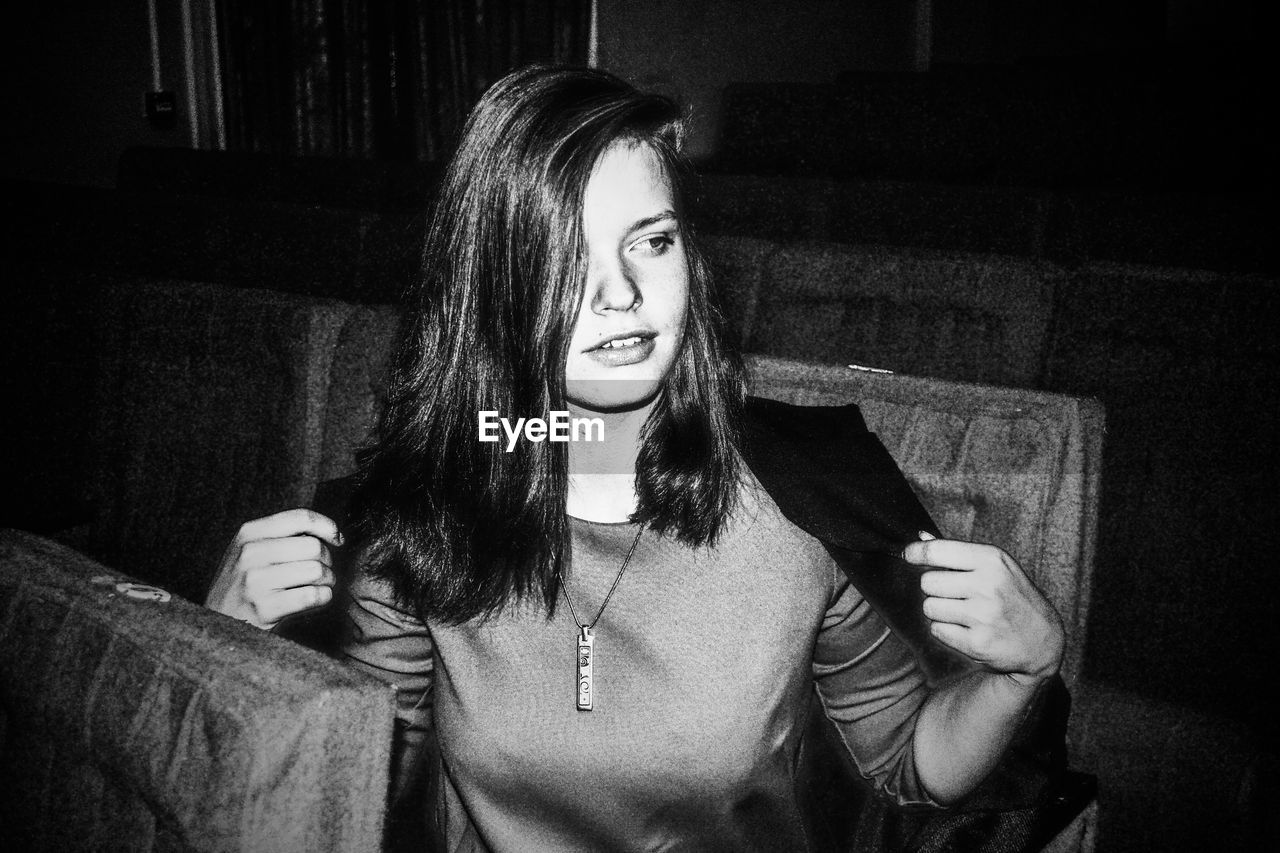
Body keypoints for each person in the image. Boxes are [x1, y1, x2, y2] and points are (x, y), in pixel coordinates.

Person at [206, 65, 1069, 852]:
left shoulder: (802, 499)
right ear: (495, 289)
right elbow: (350, 807)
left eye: (650, 241)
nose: (620, 292)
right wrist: (221, 660)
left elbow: (906, 767)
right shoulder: (423, 521)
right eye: (566, 256)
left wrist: (1018, 671)